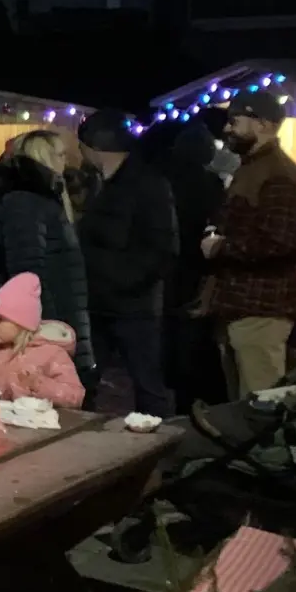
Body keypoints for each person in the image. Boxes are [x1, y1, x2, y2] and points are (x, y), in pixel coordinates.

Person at [200, 90, 296, 398]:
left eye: (235, 121)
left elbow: (280, 242)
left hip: (263, 310)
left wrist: (220, 247)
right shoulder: (253, 167)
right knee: (244, 408)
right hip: (243, 307)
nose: (227, 129)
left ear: (263, 124)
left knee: (260, 407)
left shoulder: (279, 174)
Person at [76, 111, 178, 416]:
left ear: (93, 147)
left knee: (147, 385)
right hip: (98, 303)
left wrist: (124, 281)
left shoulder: (148, 185)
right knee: (85, 381)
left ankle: (157, 447)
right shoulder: (97, 183)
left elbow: (164, 247)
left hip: (133, 306)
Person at [0, 130, 96, 383]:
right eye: (59, 155)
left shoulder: (45, 198)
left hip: (61, 313)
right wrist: (42, 323)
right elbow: (28, 270)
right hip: (50, 317)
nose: (65, 161)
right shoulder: (26, 202)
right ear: (45, 157)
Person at [157, 121, 229, 409]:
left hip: (166, 268)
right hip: (198, 268)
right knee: (194, 338)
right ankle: (195, 402)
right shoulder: (212, 184)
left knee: (169, 338)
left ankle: (177, 400)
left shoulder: (162, 180)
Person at [0, 273, 86, 408]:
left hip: (37, 427)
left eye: (0, 320)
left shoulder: (51, 353)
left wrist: (39, 384)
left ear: (22, 324)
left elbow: (75, 396)